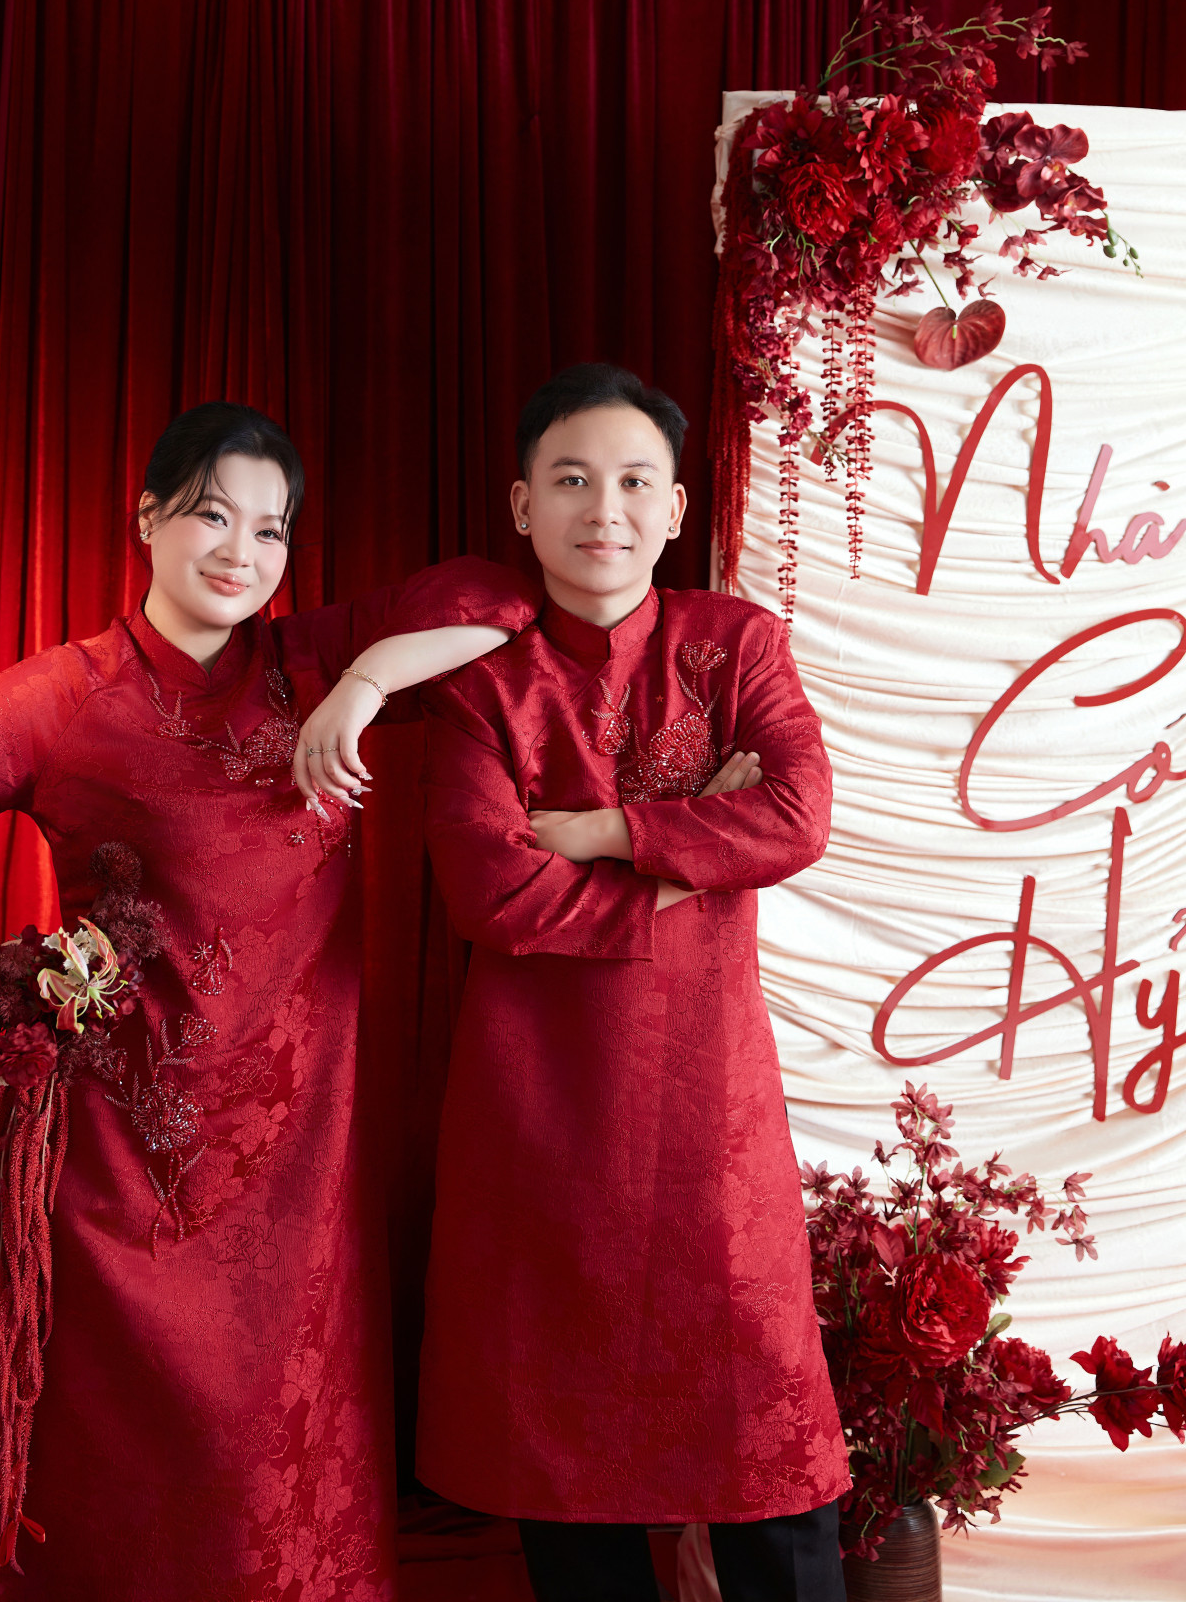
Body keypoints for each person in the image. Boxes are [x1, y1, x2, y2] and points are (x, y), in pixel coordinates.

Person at [0, 401, 537, 1602]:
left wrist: (366, 682)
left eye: (271, 528)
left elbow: (497, 598)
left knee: (282, 1484)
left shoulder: (308, 663)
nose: (241, 551)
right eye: (210, 515)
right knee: (125, 1482)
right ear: (147, 517)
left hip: (300, 1163)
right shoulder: (62, 696)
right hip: (124, 1161)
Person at [416, 364, 849, 1602]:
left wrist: (607, 833)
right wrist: (696, 852)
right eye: (570, 479)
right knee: (566, 1474)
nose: (601, 508)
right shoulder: (481, 683)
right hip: (540, 1117)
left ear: (673, 508)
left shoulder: (735, 643)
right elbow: (491, 896)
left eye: (631, 481)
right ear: (522, 503)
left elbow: (798, 813)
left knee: (768, 1451)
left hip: (712, 1117)